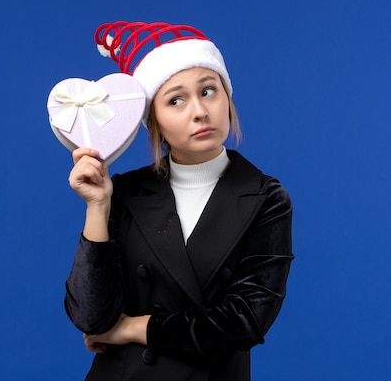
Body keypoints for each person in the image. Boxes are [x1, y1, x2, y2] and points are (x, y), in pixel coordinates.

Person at [64, 21, 294, 381]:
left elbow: (244, 320)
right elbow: (91, 317)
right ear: (154, 120)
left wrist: (128, 329)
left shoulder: (265, 198)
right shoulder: (124, 191)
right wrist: (97, 206)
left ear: (227, 97)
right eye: (175, 100)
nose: (199, 111)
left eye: (208, 91)